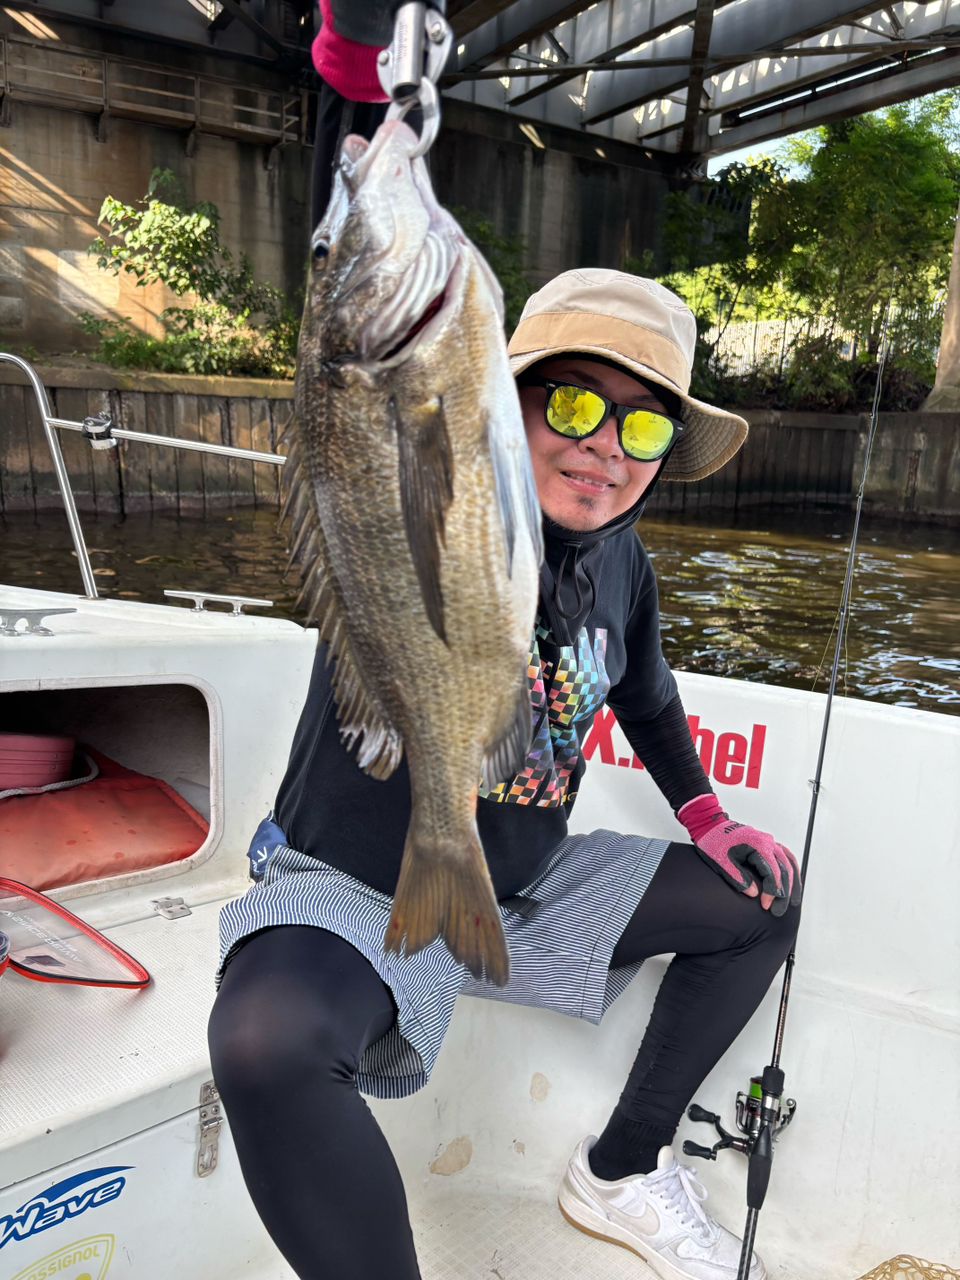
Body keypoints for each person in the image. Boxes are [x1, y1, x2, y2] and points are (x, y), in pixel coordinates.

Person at [207, 267, 802, 1280]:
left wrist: (708, 815)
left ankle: (618, 1168)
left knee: (763, 894)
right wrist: (356, 128)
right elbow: (358, 362)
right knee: (265, 1040)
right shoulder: (423, 504)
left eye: (644, 428)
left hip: (523, 880)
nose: (606, 448)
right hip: (363, 884)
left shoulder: (624, 559)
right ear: (502, 405)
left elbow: (647, 699)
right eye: (573, 402)